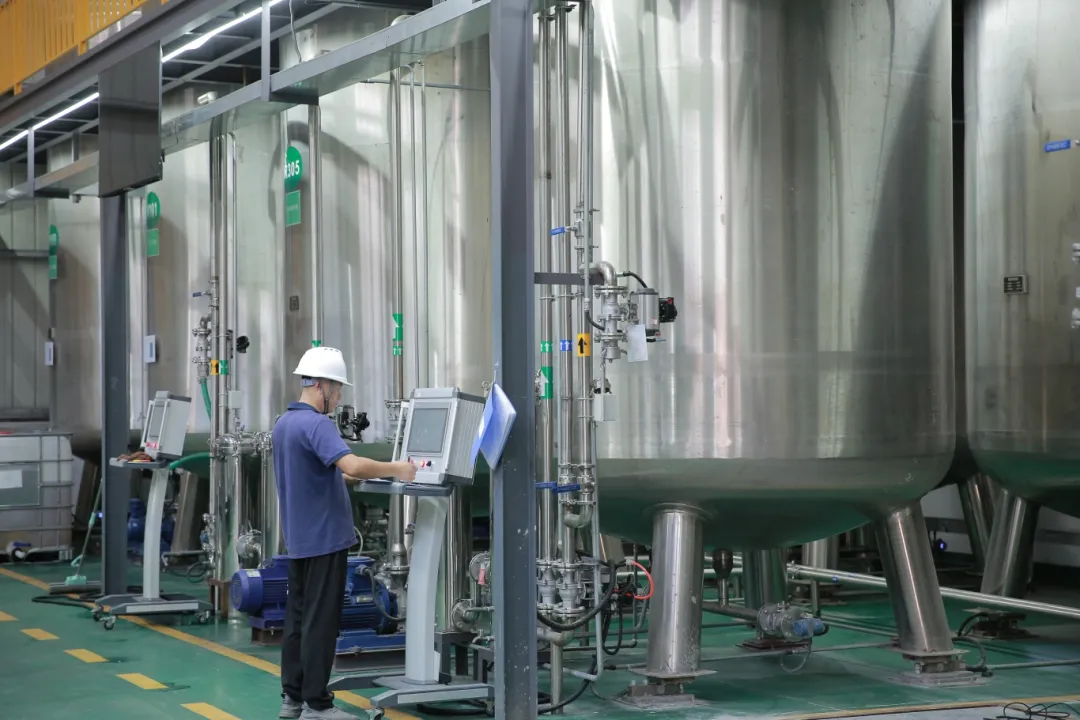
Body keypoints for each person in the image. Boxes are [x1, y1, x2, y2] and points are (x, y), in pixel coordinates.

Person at [275, 346, 416, 720]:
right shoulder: (317, 424)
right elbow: (352, 463)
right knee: (321, 622)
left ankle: (292, 699)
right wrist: (398, 468)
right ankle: (318, 705)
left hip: (299, 539)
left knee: (298, 620)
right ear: (320, 386)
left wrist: (343, 476)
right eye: (337, 390)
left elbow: (319, 472)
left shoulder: (284, 423)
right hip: (325, 540)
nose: (338, 398)